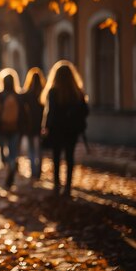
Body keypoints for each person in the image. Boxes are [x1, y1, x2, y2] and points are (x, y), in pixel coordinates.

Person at [41, 60, 89, 196]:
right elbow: (85, 111)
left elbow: (50, 112)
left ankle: (56, 185)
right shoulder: (77, 92)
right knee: (69, 157)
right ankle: (68, 187)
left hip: (57, 130)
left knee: (56, 157)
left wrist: (46, 127)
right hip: (72, 130)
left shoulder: (53, 91)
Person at [0, 68, 27, 189]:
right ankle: (12, 165)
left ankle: (8, 164)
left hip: (3, 128)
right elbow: (24, 113)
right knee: (13, 151)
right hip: (15, 128)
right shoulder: (18, 95)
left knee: (4, 150)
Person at [21, 67, 46, 181]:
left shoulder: (26, 94)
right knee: (39, 149)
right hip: (40, 125)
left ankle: (33, 170)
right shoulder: (43, 93)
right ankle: (38, 170)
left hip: (29, 126)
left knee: (31, 149)